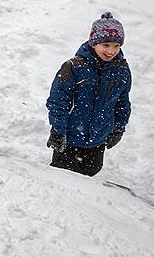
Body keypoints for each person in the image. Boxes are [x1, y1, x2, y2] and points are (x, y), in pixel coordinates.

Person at [46, 12, 132, 176]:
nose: (111, 51)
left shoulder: (122, 70)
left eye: (117, 46)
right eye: (106, 45)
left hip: (98, 140)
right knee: (61, 177)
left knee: (90, 173)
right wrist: (58, 130)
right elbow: (58, 102)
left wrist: (119, 128)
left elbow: (122, 102)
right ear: (94, 43)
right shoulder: (74, 67)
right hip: (70, 138)